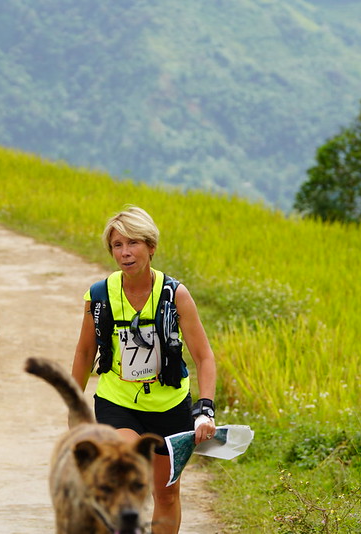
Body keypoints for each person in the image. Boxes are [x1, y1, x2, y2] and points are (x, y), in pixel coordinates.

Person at [70, 206, 218, 534]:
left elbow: (204, 357)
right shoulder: (99, 296)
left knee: (166, 494)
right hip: (117, 401)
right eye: (117, 245)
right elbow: (84, 351)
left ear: (151, 246)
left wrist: (205, 410)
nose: (125, 252)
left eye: (133, 243)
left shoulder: (174, 294)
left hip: (170, 406)